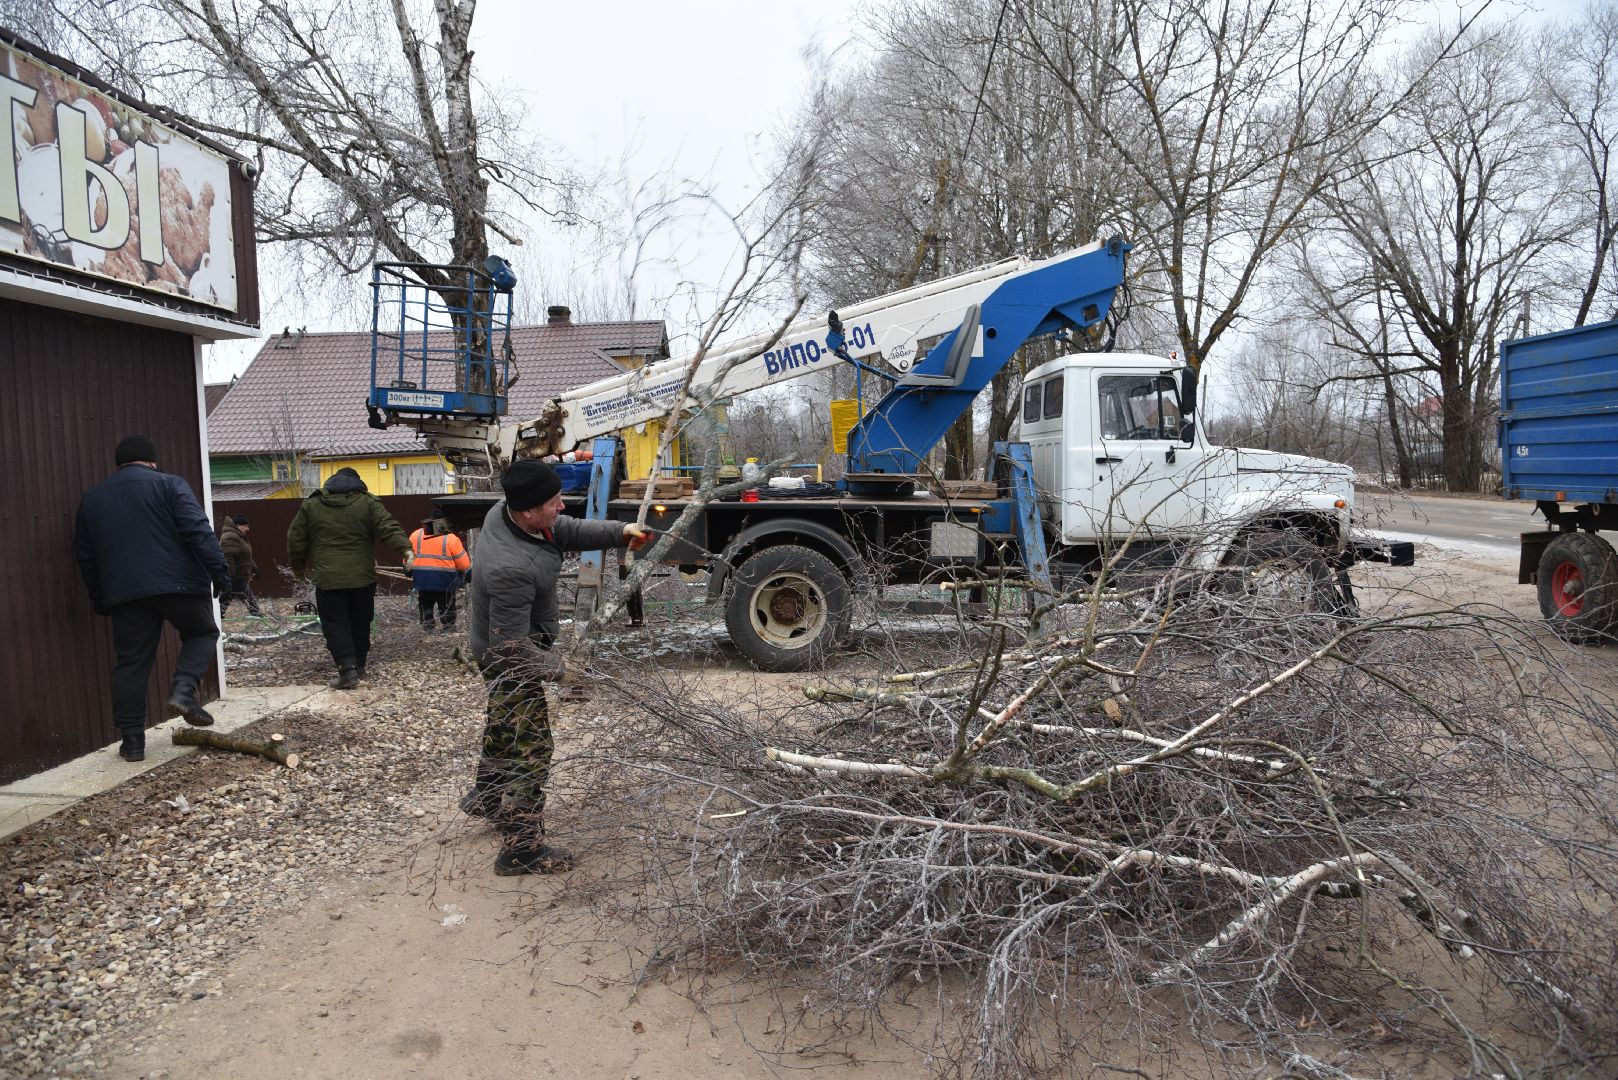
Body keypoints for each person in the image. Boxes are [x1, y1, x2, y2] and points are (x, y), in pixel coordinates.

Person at [463, 459, 649, 876]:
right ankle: (520, 850)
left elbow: (565, 530)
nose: (562, 506)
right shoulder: (510, 566)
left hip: (507, 647)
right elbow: (510, 647)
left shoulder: (511, 513)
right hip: (509, 659)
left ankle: (487, 796)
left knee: (504, 722)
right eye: (554, 501)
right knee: (531, 750)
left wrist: (620, 533)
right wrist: (564, 672)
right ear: (530, 510)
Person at [73, 435, 231, 763]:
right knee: (202, 632)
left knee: (131, 664)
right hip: (180, 585)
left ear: (119, 464)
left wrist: (100, 596)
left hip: (126, 593)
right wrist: (221, 573)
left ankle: (132, 743)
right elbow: (198, 531)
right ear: (152, 461)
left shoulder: (91, 499)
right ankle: (184, 692)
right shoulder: (170, 485)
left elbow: (85, 556)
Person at [286, 467, 412, 690]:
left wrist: (298, 569)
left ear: (330, 484)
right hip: (362, 578)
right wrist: (405, 551)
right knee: (361, 622)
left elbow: (296, 539)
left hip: (329, 579)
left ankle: (347, 670)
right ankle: (360, 667)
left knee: (335, 624)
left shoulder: (311, 505)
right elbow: (388, 527)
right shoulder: (367, 503)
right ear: (357, 483)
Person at [409, 509, 471, 630]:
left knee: (425, 604)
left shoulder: (415, 535)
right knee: (446, 605)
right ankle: (448, 627)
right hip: (445, 582)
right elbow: (463, 564)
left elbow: (407, 558)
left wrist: (408, 570)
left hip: (423, 580)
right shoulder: (451, 538)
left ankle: (428, 627)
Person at [218, 514, 262, 617]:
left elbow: (246, 556)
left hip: (239, 575)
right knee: (245, 594)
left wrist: (255, 569)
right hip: (236, 575)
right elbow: (227, 557)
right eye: (246, 526)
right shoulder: (230, 536)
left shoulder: (239, 537)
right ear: (238, 525)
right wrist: (232, 575)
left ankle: (217, 615)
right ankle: (256, 614)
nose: (248, 529)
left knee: (228, 596)